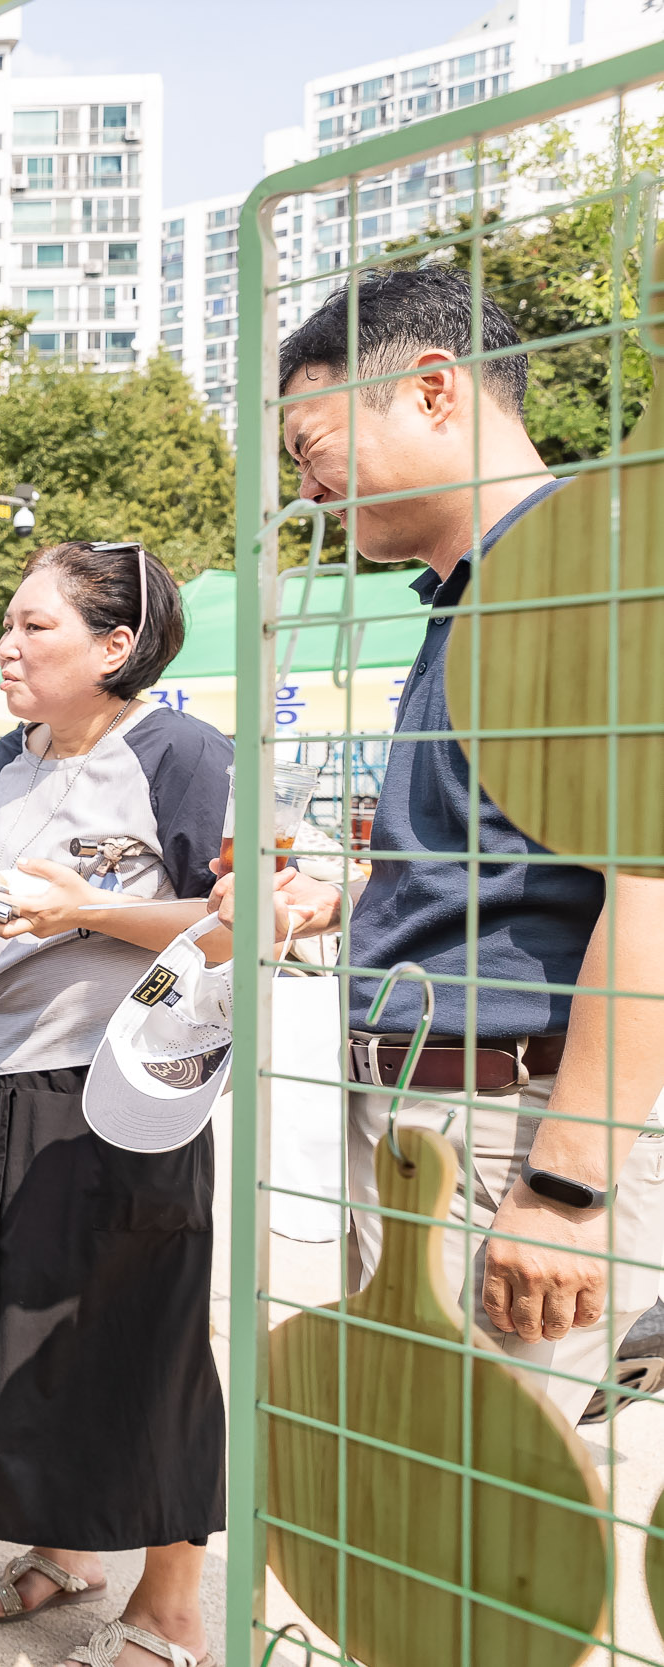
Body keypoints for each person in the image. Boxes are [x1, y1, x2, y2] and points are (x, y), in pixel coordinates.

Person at [212, 267, 664, 1422]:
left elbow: (650, 887)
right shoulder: (470, 594)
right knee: (425, 1530)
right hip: (435, 1117)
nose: (303, 484)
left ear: (427, 390)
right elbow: (526, 853)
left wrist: (563, 1184)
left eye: (310, 442)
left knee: (494, 1552)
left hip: (516, 1120)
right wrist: (359, 889)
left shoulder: (581, 586)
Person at [0, 541, 227, 1667]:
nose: (7, 641)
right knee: (26, 1331)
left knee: (140, 1329)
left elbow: (244, 921)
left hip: (126, 1087)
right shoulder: (6, 757)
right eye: (8, 620)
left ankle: (171, 1605)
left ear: (116, 645)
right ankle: (68, 1547)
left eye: (34, 624)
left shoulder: (183, 753)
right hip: (6, 1078)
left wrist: (93, 910)